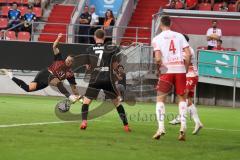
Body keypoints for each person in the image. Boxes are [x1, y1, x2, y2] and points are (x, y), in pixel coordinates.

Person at [1, 33, 80, 103]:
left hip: (47, 81)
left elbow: (73, 87)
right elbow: (54, 46)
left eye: (70, 61)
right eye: (67, 59)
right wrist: (58, 38)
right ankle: (69, 97)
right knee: (58, 82)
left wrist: (79, 97)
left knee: (28, 88)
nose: (67, 61)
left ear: (72, 63)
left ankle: (10, 75)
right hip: (45, 73)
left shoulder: (70, 74)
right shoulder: (59, 59)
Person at [79, 29, 131, 132]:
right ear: (104, 37)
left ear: (95, 37)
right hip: (107, 78)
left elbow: (88, 66)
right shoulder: (111, 48)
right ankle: (126, 126)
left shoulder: (89, 49)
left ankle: (84, 122)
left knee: (86, 102)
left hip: (95, 78)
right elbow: (115, 65)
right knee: (117, 103)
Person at [151, 16, 191, 141]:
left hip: (166, 71)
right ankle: (183, 127)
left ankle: (161, 128)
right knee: (182, 98)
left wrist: (159, 70)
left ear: (160, 25)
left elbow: (158, 58)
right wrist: (184, 68)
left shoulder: (157, 38)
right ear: (171, 23)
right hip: (179, 69)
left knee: (160, 98)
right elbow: (188, 54)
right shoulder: (179, 36)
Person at [169, 34, 204, 135]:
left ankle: (180, 117)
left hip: (190, 75)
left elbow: (182, 62)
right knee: (187, 100)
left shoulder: (188, 50)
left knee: (182, 96)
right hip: (189, 75)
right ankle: (198, 123)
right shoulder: (183, 50)